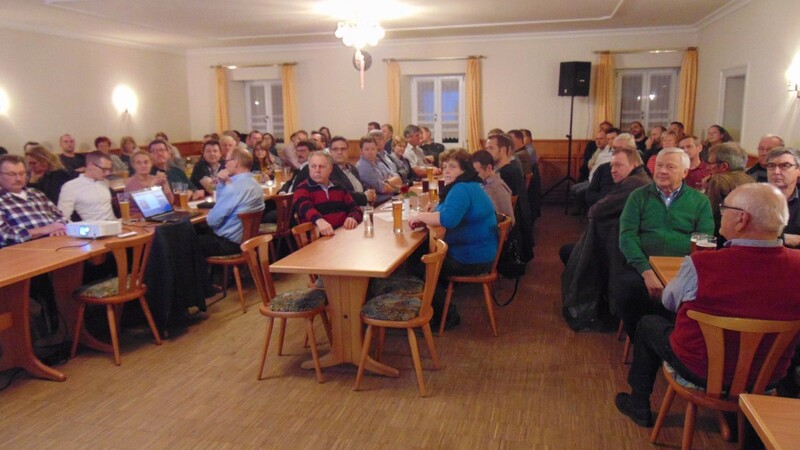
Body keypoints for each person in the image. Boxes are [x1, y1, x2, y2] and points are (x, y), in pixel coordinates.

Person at [615, 183, 800, 428]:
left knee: (649, 324)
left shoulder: (701, 264)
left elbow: (669, 301)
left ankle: (639, 405)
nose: (720, 214)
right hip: (768, 377)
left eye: (725, 210)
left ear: (742, 219)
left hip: (700, 370)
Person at [616, 148, 714, 339]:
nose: (662, 171)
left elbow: (704, 238)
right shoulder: (638, 196)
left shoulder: (700, 201)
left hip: (683, 268)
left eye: (670, 167)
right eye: (659, 165)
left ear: (685, 172)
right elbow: (627, 236)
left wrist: (682, 271)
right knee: (628, 289)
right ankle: (644, 341)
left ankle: (674, 342)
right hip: (642, 265)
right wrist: (646, 271)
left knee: (697, 295)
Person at [409, 148, 498, 327]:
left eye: (453, 167)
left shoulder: (461, 189)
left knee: (419, 265)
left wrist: (419, 216)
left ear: (464, 170)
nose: (447, 170)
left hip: (472, 258)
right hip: (483, 251)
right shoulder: (471, 185)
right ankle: (439, 305)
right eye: (445, 166)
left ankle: (446, 316)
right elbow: (447, 212)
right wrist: (432, 213)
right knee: (422, 255)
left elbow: (448, 220)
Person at [197, 148, 265, 257]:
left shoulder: (234, 188)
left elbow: (212, 221)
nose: (224, 165)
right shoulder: (255, 184)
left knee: (185, 242)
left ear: (235, 163)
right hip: (248, 241)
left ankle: (204, 274)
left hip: (228, 243)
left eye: (227, 161)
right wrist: (221, 183)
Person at [485, 133, 534, 261]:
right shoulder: (509, 168)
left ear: (504, 150)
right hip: (517, 227)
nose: (487, 152)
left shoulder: (506, 173)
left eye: (491, 148)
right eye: (486, 148)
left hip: (510, 231)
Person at [0, 154, 66, 247]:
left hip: (55, 243)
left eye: (22, 173)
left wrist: (60, 228)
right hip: (22, 252)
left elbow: (61, 218)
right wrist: (45, 230)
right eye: (11, 174)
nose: (18, 178)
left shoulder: (37, 194)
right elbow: (4, 236)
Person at [293, 151, 362, 236]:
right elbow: (305, 208)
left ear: (330, 169)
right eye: (313, 166)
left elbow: (355, 208)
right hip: (318, 240)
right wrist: (319, 220)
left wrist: (352, 217)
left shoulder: (338, 187)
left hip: (343, 235)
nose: (317, 170)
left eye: (322, 166)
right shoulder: (302, 189)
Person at [703, 142, 753, 243]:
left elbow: (709, 215)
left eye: (710, 163)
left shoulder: (718, 180)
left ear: (724, 166)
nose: (708, 167)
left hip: (722, 239)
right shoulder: (750, 179)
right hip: (746, 237)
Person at [57, 151, 116, 221]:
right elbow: (63, 217)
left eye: (109, 170)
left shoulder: (105, 182)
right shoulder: (70, 187)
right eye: (104, 169)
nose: (107, 173)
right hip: (94, 228)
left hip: (115, 224)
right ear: (90, 165)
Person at [766, 147, 800, 247]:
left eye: (785, 166)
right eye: (771, 166)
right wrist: (784, 238)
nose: (776, 172)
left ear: (798, 170)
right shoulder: (752, 198)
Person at [124, 150, 174, 217]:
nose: (143, 165)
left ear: (151, 164)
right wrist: (152, 185)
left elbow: (170, 202)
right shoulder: (131, 184)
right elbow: (146, 206)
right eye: (139, 163)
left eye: (146, 162)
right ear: (133, 165)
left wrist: (165, 183)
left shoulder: (155, 179)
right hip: (139, 219)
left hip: (159, 214)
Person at [329, 135, 375, 206]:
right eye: (335, 149)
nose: (339, 152)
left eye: (343, 149)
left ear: (348, 151)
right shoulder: (329, 171)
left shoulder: (352, 168)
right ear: (330, 152)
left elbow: (362, 186)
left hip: (365, 210)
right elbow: (342, 194)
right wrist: (365, 196)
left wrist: (370, 192)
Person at [356, 136, 402, 205]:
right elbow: (383, 189)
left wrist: (386, 182)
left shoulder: (379, 163)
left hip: (390, 200)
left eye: (373, 149)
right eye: (367, 149)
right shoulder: (363, 166)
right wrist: (396, 188)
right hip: (378, 204)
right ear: (361, 151)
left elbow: (398, 179)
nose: (370, 152)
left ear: (376, 150)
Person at [472, 149, 514, 224]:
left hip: (494, 231)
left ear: (489, 168)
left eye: (477, 173)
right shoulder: (495, 181)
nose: (473, 177)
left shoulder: (493, 188)